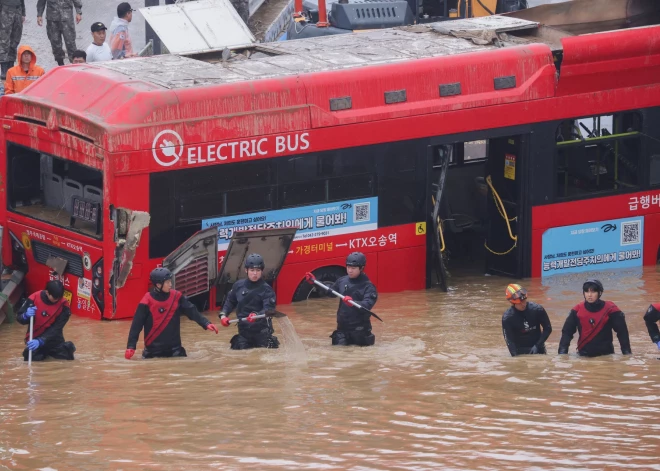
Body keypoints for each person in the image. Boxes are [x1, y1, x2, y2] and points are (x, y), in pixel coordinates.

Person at [125, 267, 218, 359]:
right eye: (167, 282)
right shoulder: (146, 301)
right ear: (158, 285)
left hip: (175, 350)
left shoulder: (177, 297)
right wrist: (131, 346)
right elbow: (136, 325)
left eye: (170, 281)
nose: (170, 284)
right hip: (153, 352)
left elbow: (191, 311)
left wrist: (206, 323)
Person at [219, 254, 279, 350]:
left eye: (258, 270)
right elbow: (230, 301)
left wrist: (256, 315)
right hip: (244, 333)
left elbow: (269, 309)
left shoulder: (267, 290)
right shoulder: (238, 286)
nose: (255, 273)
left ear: (261, 271)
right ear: (246, 270)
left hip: (262, 333)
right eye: (252, 270)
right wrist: (223, 315)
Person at [558, 279, 632, 357]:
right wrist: (562, 354)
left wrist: (627, 354)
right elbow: (567, 332)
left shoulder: (611, 309)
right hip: (583, 356)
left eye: (593, 292)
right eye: (587, 292)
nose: (589, 295)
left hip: (606, 357)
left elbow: (622, 333)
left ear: (599, 293)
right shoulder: (577, 309)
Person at [327, 252, 378, 347]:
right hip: (342, 329)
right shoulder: (342, 281)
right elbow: (330, 293)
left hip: (360, 331)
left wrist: (353, 303)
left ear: (361, 268)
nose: (350, 270)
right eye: (348, 267)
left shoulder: (368, 287)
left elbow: (367, 305)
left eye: (353, 268)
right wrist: (314, 283)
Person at [16, 280, 76, 361]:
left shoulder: (64, 307)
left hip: (54, 339)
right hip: (35, 338)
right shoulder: (33, 298)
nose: (57, 300)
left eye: (59, 298)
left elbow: (56, 328)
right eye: (54, 298)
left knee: (67, 352)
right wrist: (25, 315)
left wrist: (41, 341)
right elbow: (19, 318)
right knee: (31, 357)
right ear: (47, 292)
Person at [501, 283, 552, 356]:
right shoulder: (507, 318)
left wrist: (538, 345)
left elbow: (548, 328)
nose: (523, 304)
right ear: (512, 302)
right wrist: (515, 357)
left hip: (538, 347)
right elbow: (509, 340)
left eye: (524, 300)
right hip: (520, 350)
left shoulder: (537, 309)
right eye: (520, 302)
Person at [36, 0, 82, 66]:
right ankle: (60, 64)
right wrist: (39, 15)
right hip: (52, 19)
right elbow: (41, 2)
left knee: (70, 43)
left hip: (67, 19)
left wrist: (78, 12)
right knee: (55, 43)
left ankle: (74, 65)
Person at [0, 0, 25, 82]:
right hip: (5, 11)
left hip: (18, 10)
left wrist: (23, 13)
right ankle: (4, 69)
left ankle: (11, 67)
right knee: (4, 41)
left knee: (15, 40)